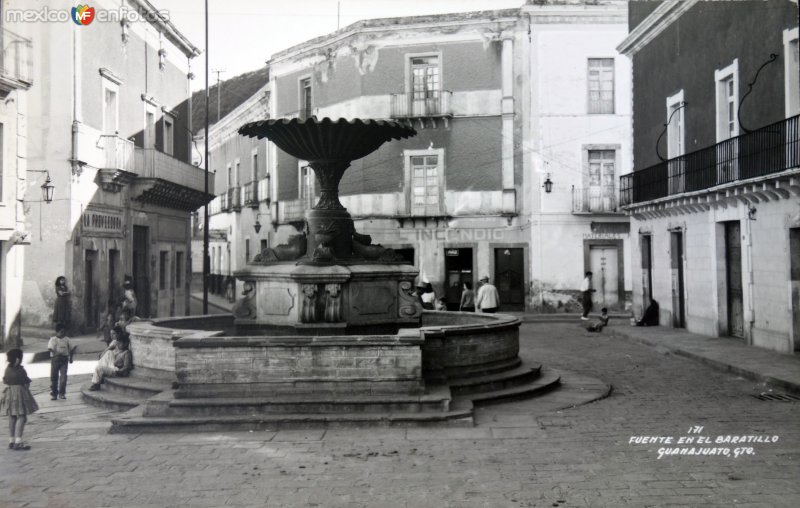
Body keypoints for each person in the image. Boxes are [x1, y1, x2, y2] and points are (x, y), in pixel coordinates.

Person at [0, 349, 39, 451]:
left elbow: (5, 380)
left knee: (12, 416)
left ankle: (11, 441)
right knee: (21, 417)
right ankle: (18, 441)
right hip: (19, 394)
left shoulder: (7, 369)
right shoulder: (21, 370)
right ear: (18, 360)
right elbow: (26, 383)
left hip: (9, 393)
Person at [48, 326, 75, 400]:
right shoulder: (53, 339)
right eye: (61, 332)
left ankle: (62, 393)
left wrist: (71, 358)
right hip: (55, 359)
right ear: (57, 332)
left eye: (64, 332)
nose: (63, 333)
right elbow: (51, 348)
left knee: (63, 377)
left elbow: (71, 349)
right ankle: (54, 393)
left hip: (64, 359)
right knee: (54, 377)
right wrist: (56, 353)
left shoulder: (67, 339)